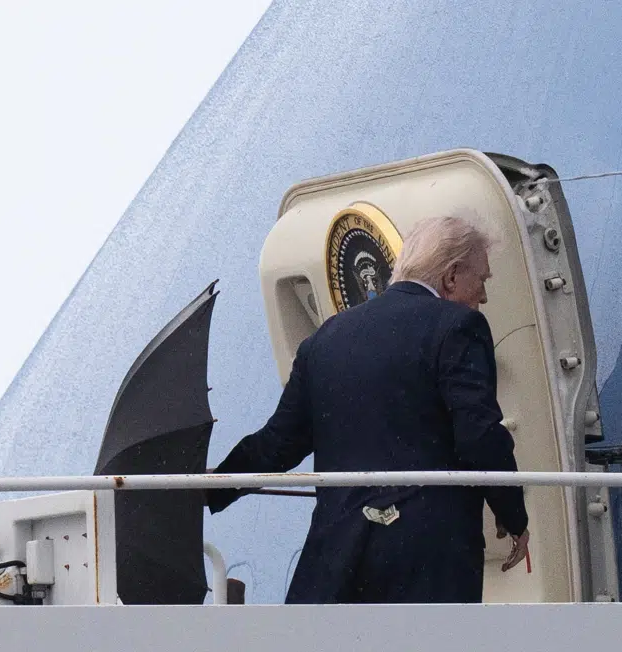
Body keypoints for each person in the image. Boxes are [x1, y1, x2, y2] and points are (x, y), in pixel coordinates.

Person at [206, 215, 530, 603]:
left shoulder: (325, 339)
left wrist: (208, 488)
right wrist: (514, 517)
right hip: (427, 558)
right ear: (452, 275)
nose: (484, 296)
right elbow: (479, 435)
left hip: (337, 556)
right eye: (483, 280)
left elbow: (277, 444)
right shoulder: (459, 326)